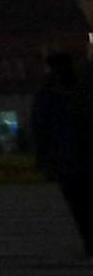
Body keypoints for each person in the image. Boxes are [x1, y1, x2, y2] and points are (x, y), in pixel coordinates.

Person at [34, 51, 92, 258]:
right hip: (73, 157)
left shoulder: (48, 92)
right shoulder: (82, 86)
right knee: (80, 203)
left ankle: (89, 240)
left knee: (79, 204)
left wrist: (44, 158)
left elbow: (40, 128)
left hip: (68, 158)